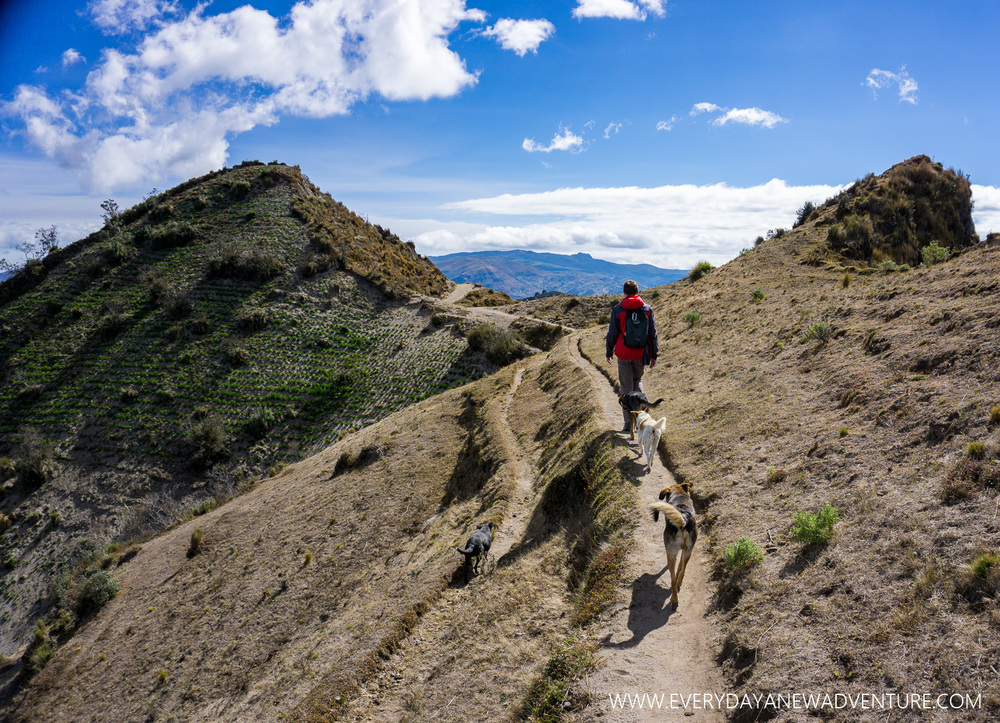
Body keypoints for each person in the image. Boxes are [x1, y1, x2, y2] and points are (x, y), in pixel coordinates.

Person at [606, 280, 659, 431]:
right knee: (638, 382)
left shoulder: (618, 309)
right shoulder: (647, 310)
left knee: (626, 387)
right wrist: (654, 355)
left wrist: (609, 352)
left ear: (624, 292)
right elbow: (653, 334)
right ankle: (642, 420)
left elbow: (612, 333)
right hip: (641, 353)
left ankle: (629, 424)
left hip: (623, 353)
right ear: (637, 292)